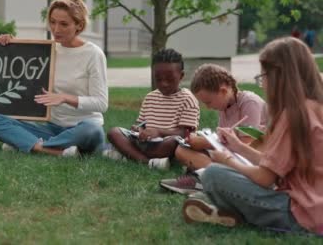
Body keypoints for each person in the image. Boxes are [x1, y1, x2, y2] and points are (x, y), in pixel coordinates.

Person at [183, 37, 323, 234]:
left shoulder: (293, 115)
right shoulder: (314, 108)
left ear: (279, 76)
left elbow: (265, 178)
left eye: (263, 75)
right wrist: (238, 147)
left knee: (214, 175)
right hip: (315, 209)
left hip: (301, 216)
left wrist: (229, 160)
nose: (262, 82)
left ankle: (235, 213)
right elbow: (275, 165)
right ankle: (229, 212)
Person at [0, 0, 107, 157]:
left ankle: (27, 143)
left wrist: (65, 98)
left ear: (79, 25)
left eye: (63, 24)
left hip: (82, 128)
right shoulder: (46, 49)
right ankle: (50, 149)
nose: (56, 29)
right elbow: (19, 64)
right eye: (52, 22)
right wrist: (7, 45)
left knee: (92, 131)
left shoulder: (93, 54)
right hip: (51, 128)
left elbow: (101, 103)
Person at [160, 64, 266, 194]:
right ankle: (206, 176)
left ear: (223, 91)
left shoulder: (249, 102)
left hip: (252, 161)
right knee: (181, 149)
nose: (208, 107)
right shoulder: (225, 107)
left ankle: (204, 178)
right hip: (231, 156)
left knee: (206, 153)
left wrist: (205, 142)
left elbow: (247, 145)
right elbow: (224, 141)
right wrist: (201, 141)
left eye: (208, 102)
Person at [105, 49, 200, 170]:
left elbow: (185, 134)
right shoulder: (151, 97)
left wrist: (159, 132)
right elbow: (142, 124)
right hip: (146, 143)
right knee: (114, 132)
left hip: (165, 144)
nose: (164, 84)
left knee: (174, 143)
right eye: (158, 79)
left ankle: (130, 155)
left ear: (181, 76)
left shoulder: (187, 99)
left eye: (169, 79)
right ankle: (147, 161)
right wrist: (138, 129)